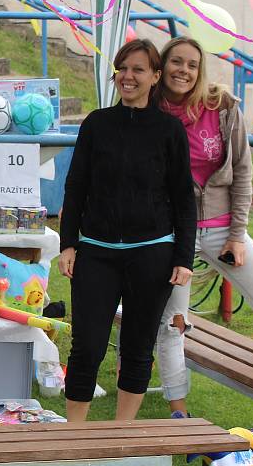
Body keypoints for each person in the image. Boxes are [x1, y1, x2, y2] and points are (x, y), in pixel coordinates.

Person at [154, 36, 253, 418]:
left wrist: (237, 234)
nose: (183, 70)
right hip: (173, 234)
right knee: (173, 323)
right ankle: (178, 409)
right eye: (176, 62)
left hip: (221, 229)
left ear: (200, 71)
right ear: (163, 66)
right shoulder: (149, 111)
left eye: (192, 64)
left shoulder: (221, 107)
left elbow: (243, 174)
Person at [58, 39, 196, 422]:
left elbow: (184, 198)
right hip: (97, 252)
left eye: (139, 69)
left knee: (138, 346)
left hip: (152, 253)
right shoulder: (96, 124)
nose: (129, 76)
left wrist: (183, 258)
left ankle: (122, 434)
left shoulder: (169, 131)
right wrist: (68, 243)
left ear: (155, 77)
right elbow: (76, 186)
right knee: (87, 345)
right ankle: (75, 435)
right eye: (124, 68)